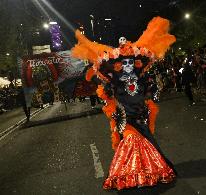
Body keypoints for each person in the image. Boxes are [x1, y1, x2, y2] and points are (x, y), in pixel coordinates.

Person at [72, 16, 176, 190]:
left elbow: (149, 91)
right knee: (131, 142)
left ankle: (147, 172)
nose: (127, 65)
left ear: (134, 63)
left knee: (146, 144)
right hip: (126, 118)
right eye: (124, 62)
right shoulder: (115, 80)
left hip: (140, 115)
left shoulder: (141, 78)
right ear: (120, 64)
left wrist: (151, 92)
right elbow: (106, 94)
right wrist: (108, 93)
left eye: (130, 62)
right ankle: (128, 175)